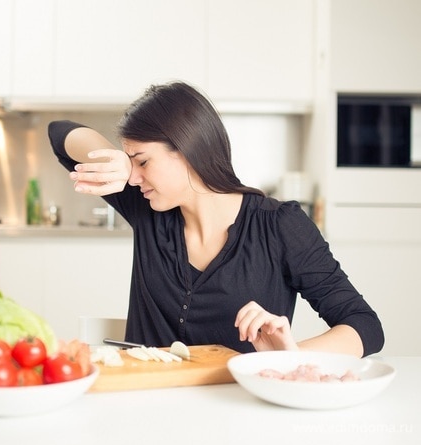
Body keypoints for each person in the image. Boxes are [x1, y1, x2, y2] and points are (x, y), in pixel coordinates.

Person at [48, 81, 384, 357]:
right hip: (147, 407)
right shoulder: (148, 207)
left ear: (187, 151)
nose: (134, 178)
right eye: (131, 165)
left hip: (235, 412)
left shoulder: (280, 226)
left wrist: (289, 358)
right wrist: (118, 160)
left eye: (144, 162)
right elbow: (60, 133)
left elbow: (364, 326)